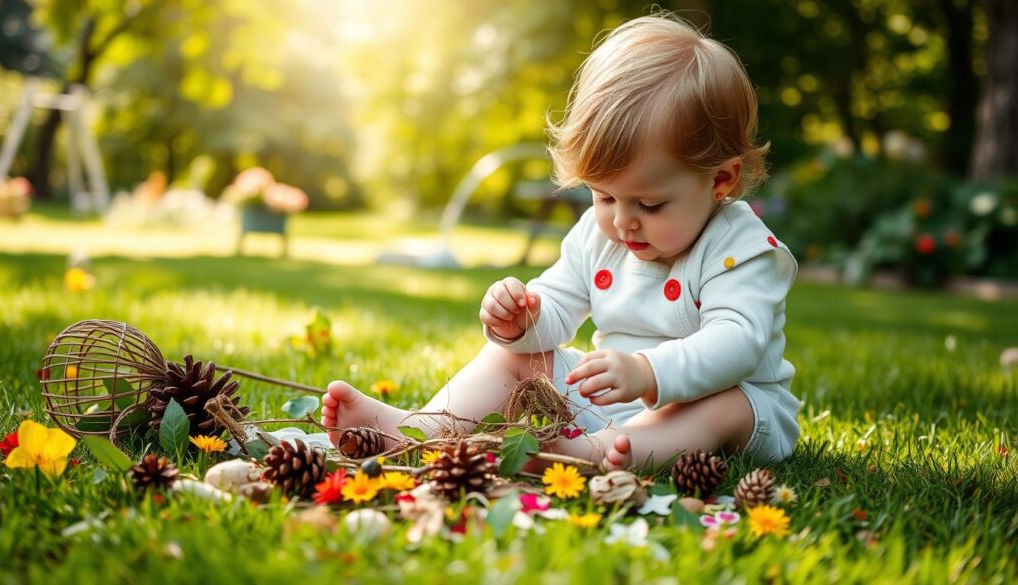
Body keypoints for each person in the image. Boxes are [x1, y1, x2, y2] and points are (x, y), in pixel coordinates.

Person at [321, 13, 800, 471]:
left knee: (726, 404)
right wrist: (523, 320)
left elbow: (737, 342)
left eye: (649, 205)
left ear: (720, 180)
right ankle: (423, 430)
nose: (624, 222)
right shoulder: (600, 232)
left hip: (728, 410)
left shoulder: (740, 247)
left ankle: (590, 456)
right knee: (518, 357)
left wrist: (647, 372)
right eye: (604, 195)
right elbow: (558, 305)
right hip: (615, 401)